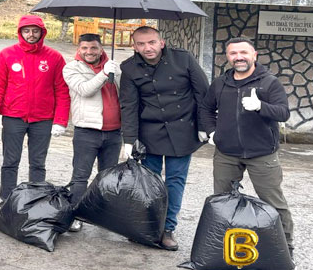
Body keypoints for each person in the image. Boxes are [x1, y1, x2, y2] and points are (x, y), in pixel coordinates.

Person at [200, 37, 294, 256]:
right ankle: (222, 246)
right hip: (226, 153)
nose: (238, 57)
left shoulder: (269, 83)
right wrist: (212, 131)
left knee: (273, 202)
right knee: (222, 201)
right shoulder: (220, 83)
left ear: (254, 55)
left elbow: (283, 112)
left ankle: (286, 248)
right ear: (227, 57)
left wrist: (261, 106)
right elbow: (205, 108)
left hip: (262, 154)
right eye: (233, 53)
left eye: (243, 52)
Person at [119, 26, 209, 250]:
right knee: (150, 182)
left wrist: (204, 126)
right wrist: (129, 140)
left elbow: (203, 93)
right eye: (141, 44)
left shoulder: (183, 59)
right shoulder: (129, 68)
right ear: (134, 46)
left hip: (183, 129)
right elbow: (129, 105)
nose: (147, 48)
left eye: (151, 42)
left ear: (161, 42)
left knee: (175, 182)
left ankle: (168, 229)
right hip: (150, 132)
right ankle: (148, 227)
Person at [0, 15, 70, 202]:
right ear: (20, 32)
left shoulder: (54, 57)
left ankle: (36, 201)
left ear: (42, 32)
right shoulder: (7, 55)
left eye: (35, 31)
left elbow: (62, 91)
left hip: (43, 119)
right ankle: (7, 201)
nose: (31, 35)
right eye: (26, 31)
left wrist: (61, 121)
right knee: (10, 162)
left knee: (38, 164)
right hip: (13, 117)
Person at [62, 33, 121, 232]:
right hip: (87, 131)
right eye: (85, 48)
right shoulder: (71, 68)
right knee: (80, 176)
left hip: (114, 132)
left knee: (107, 177)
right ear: (79, 49)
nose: (89, 52)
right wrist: (104, 74)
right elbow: (85, 89)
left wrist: (113, 72)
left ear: (101, 48)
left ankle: (101, 214)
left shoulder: (114, 67)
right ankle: (74, 215)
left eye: (94, 48)